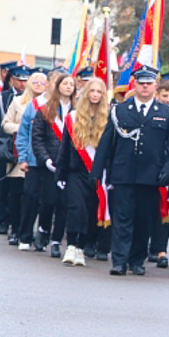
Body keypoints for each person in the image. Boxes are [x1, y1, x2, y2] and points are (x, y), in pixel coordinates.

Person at [91, 64, 169, 276]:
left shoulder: (166, 114)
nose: (145, 88)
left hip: (151, 175)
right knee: (122, 218)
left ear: (155, 87)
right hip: (124, 173)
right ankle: (120, 261)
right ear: (135, 85)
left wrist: (168, 170)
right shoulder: (120, 110)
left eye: (149, 84)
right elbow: (107, 142)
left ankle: (137, 260)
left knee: (143, 220)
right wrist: (97, 171)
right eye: (141, 84)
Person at [55, 77, 109, 265]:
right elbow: (65, 147)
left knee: (90, 211)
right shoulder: (73, 116)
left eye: (99, 92)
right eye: (92, 91)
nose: (95, 95)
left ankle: (81, 247)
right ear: (86, 94)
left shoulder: (109, 118)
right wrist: (60, 173)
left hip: (97, 173)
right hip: (75, 170)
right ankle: (70, 246)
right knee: (75, 207)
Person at [32, 72, 75, 258]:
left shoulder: (78, 111)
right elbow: (38, 138)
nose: (68, 87)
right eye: (65, 83)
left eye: (71, 84)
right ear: (57, 87)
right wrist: (45, 159)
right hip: (50, 164)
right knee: (48, 201)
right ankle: (43, 229)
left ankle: (56, 241)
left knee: (63, 204)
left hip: (69, 165)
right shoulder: (45, 110)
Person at [1, 68, 42, 245]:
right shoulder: (18, 102)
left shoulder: (48, 104)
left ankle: (30, 231)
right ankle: (15, 230)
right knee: (17, 195)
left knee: (34, 197)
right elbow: (5, 124)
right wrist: (22, 128)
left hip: (39, 156)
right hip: (21, 153)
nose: (39, 85)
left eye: (43, 82)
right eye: (36, 82)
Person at [0, 65, 27, 234]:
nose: (23, 84)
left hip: (23, 146)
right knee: (2, 183)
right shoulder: (1, 97)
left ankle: (14, 220)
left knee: (18, 187)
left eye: (26, 81)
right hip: (5, 145)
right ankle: (0, 217)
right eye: (19, 80)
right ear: (11, 80)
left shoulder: (32, 100)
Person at [147, 79, 169, 267]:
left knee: (164, 212)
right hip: (151, 167)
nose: (168, 99)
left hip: (167, 169)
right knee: (148, 210)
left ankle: (158, 248)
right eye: (165, 96)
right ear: (157, 96)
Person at [13, 71, 49, 250]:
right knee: (30, 197)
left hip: (53, 162)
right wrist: (23, 157)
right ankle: (24, 235)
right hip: (34, 160)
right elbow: (23, 133)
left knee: (48, 201)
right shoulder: (34, 105)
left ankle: (42, 237)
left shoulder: (65, 106)